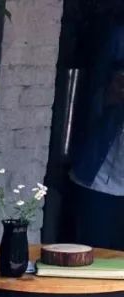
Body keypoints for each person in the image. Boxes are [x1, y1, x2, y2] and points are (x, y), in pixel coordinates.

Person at [71, 23, 124, 251]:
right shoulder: (118, 37)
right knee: (93, 258)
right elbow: (92, 95)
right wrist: (111, 93)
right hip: (101, 177)